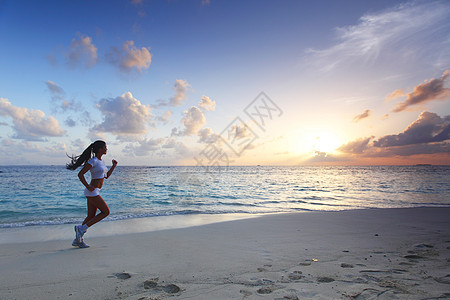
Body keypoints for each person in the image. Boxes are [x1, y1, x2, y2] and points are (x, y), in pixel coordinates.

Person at [66, 140, 117, 248]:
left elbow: (106, 176)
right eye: (105, 147)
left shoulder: (101, 161)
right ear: (100, 149)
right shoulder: (93, 161)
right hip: (91, 192)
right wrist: (88, 186)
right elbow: (80, 174)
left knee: (91, 216)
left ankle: (78, 240)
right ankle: (81, 229)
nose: (106, 149)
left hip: (95, 191)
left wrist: (113, 166)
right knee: (106, 212)